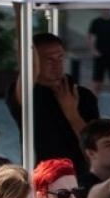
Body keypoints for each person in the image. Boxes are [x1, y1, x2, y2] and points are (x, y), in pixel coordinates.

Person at [7, 33, 101, 177]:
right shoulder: (28, 95)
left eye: (60, 58)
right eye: (49, 59)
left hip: (81, 176)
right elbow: (29, 65)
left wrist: (72, 114)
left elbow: (97, 146)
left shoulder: (83, 95)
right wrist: (20, 14)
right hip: (43, 178)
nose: (57, 65)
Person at [85, 9, 110, 114]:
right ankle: (92, 109)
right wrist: (93, 50)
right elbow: (89, 37)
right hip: (100, 56)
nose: (106, 10)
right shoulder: (96, 22)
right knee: (96, 84)